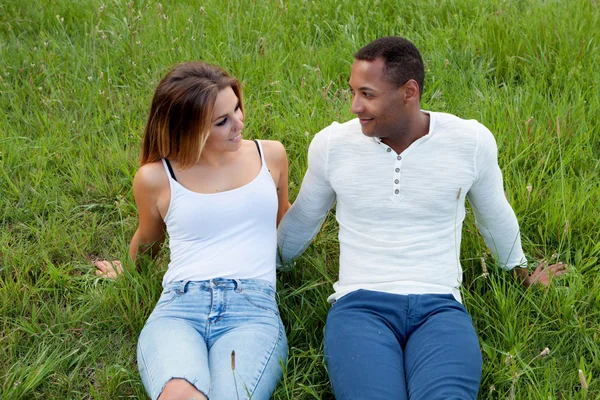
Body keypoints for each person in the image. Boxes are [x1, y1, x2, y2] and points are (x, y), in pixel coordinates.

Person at [276, 36, 567, 399]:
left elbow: (494, 215)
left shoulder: (470, 141)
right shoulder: (332, 145)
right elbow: (304, 218)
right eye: (352, 92)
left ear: (408, 91)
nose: (354, 106)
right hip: (359, 306)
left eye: (367, 94)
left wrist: (521, 272)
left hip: (440, 307)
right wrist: (266, 268)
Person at [94, 61, 290, 400]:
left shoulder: (269, 155)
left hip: (252, 310)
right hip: (179, 308)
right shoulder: (156, 177)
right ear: (188, 128)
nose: (239, 123)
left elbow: (284, 223)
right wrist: (127, 270)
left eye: (237, 108)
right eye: (222, 121)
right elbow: (148, 239)